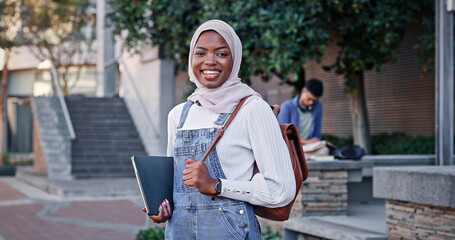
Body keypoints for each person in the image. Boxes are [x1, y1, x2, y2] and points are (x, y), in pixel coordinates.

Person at [143, 20, 296, 239]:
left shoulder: (253, 109)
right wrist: (163, 208)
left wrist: (216, 186)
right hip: (179, 232)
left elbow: (281, 191)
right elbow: (176, 185)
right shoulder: (177, 115)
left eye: (222, 54)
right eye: (201, 53)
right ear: (191, 58)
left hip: (231, 231)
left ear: (235, 59)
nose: (210, 61)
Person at [277, 78, 324, 145]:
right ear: (303, 91)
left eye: (314, 101)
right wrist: (306, 141)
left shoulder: (318, 105)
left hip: (309, 147)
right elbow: (282, 134)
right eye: (309, 99)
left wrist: (317, 143)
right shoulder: (286, 106)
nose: (311, 103)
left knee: (324, 150)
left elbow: (317, 132)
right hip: (292, 146)